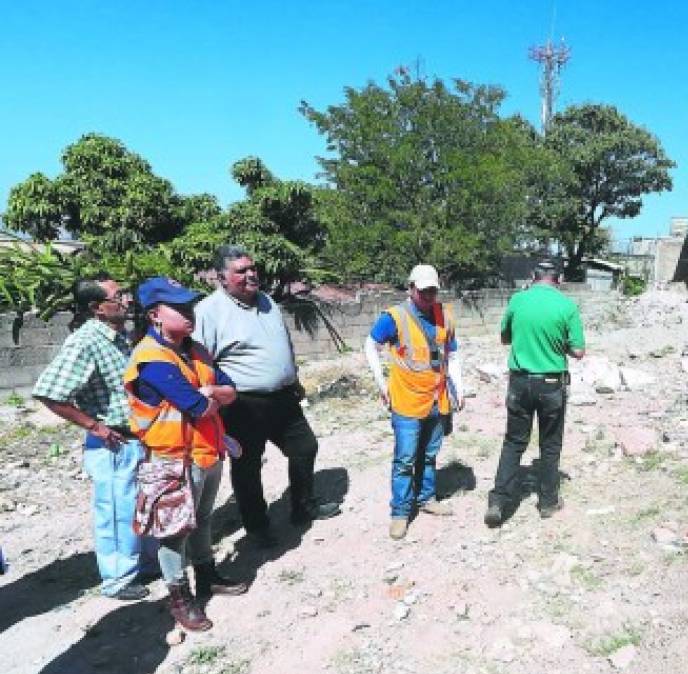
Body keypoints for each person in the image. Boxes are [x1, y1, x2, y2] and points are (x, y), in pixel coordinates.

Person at [193, 245, 339, 547]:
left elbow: (282, 343)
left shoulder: (267, 301)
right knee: (248, 466)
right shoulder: (208, 311)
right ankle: (257, 526)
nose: (250, 274)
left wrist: (293, 377)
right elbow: (200, 361)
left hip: (283, 397)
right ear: (221, 277)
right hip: (243, 404)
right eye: (241, 271)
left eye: (252, 268)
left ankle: (302, 506)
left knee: (305, 447)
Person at [124, 276, 248, 632]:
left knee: (203, 518)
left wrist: (216, 393)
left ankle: (208, 575)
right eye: (178, 307)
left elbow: (231, 390)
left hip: (206, 452)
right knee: (174, 531)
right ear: (154, 316)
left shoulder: (196, 349)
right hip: (172, 459)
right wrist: (213, 394)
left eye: (188, 305)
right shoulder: (152, 359)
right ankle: (179, 597)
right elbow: (197, 405)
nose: (188, 312)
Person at [32, 277, 153, 600]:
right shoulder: (86, 342)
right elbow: (49, 392)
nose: (126, 301)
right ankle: (118, 580)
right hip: (112, 443)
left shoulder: (120, 338)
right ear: (97, 308)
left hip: (135, 439)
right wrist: (94, 426)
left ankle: (142, 563)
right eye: (118, 297)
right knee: (116, 511)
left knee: (139, 504)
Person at [485, 260, 585, 527]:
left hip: (519, 383)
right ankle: (548, 501)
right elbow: (578, 351)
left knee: (514, 442)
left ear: (533, 276)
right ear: (559, 279)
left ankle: (498, 500)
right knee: (550, 445)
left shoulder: (518, 301)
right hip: (552, 383)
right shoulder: (567, 306)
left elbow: (505, 338)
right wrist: (556, 343)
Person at [363, 264, 459, 540]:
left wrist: (457, 389)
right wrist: (382, 384)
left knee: (429, 455)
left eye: (433, 290)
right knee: (405, 460)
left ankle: (426, 499)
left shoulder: (445, 315)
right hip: (406, 401)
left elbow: (452, 354)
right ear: (411, 288)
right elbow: (371, 345)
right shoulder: (394, 317)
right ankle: (400, 512)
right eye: (423, 291)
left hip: (436, 399)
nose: (429, 296)